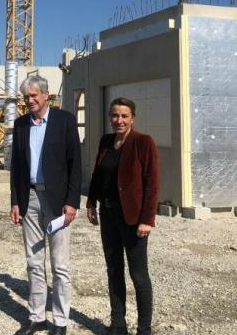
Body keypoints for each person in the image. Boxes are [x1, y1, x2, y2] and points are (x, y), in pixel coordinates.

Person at [10, 76, 81, 335]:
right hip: (29, 200)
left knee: (60, 266)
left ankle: (60, 321)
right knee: (34, 262)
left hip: (58, 202)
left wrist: (72, 202)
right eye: (26, 97)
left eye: (34, 96)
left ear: (46, 95)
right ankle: (37, 316)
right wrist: (15, 201)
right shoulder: (20, 125)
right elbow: (16, 167)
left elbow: (75, 164)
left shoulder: (64, 121)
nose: (30, 100)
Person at [86, 97, 159, 335]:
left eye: (124, 116)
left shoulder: (143, 142)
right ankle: (118, 324)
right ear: (110, 117)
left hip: (133, 218)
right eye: (115, 115)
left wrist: (147, 219)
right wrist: (91, 202)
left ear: (132, 118)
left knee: (138, 275)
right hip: (108, 215)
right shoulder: (106, 141)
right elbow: (98, 174)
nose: (119, 120)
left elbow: (152, 183)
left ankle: (144, 329)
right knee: (113, 270)